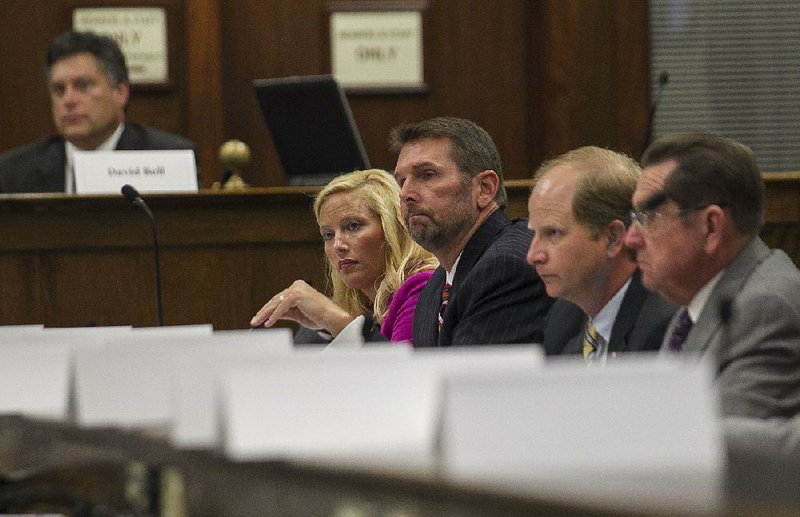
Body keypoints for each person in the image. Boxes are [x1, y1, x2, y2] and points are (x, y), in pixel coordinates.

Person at [624, 132, 800, 419]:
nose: (631, 239)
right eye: (635, 219)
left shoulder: (766, 308)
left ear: (710, 227)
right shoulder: (693, 302)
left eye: (649, 218)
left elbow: (721, 447)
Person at [390, 116, 553, 347]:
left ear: (485, 189)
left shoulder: (507, 267)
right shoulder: (435, 287)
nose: (406, 193)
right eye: (401, 181)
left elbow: (467, 379)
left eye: (427, 175)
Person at [250, 169, 437, 343]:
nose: (338, 245)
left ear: (393, 229)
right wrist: (326, 325)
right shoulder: (365, 305)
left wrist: (331, 318)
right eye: (328, 235)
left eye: (353, 226)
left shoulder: (423, 288)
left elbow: (401, 373)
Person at [0, 30, 195, 193]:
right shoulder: (13, 171)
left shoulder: (170, 158)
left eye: (83, 86)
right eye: (59, 90)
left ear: (120, 92)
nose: (68, 100)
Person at [527, 146, 676, 359]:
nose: (533, 256)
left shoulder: (659, 327)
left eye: (554, 233)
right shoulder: (563, 317)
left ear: (614, 238)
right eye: (534, 233)